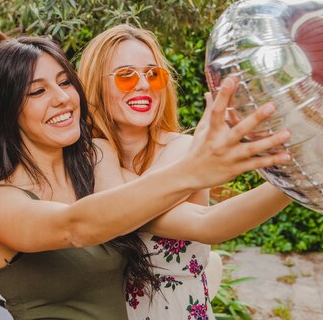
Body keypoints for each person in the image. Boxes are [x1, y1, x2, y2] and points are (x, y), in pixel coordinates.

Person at [0, 36, 291, 320]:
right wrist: (193, 169)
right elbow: (75, 227)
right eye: (37, 91)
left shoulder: (95, 163)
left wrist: (296, 178)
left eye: (66, 82)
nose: (62, 98)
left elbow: (204, 222)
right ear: (6, 111)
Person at [78, 24, 292, 320]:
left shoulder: (184, 150)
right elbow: (118, 211)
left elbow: (207, 223)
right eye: (126, 75)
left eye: (153, 74)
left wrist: (295, 181)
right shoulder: (94, 155)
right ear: (96, 85)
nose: (143, 84)